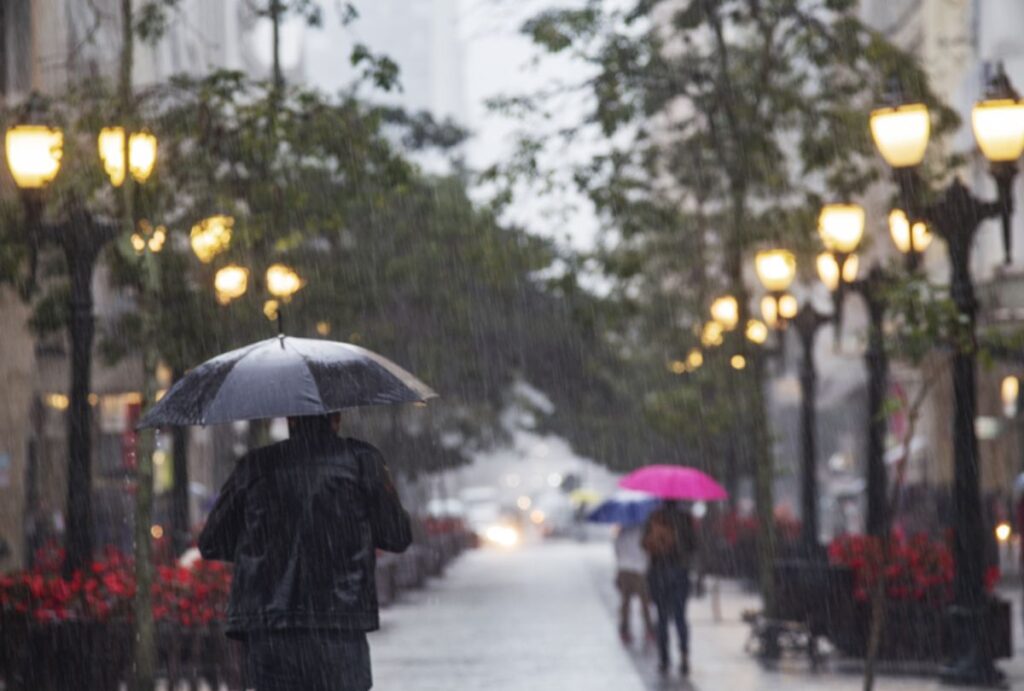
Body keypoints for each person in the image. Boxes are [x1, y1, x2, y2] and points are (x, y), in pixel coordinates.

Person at [199, 413, 412, 691]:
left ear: (291, 419)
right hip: (340, 628)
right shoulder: (361, 461)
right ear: (336, 418)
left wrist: (262, 550)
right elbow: (397, 536)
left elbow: (213, 541)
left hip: (272, 630)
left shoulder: (255, 465)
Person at [642, 500, 698, 676]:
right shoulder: (685, 518)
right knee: (681, 616)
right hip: (679, 572)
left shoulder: (654, 516)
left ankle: (664, 659)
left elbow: (644, 544)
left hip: (658, 571)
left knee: (662, 617)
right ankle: (684, 656)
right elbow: (694, 545)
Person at [614, 522, 654, 644]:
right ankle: (648, 629)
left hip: (624, 569)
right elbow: (648, 551)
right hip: (639, 570)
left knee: (625, 602)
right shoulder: (643, 532)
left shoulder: (622, 532)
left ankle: (624, 630)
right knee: (645, 602)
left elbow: (617, 550)